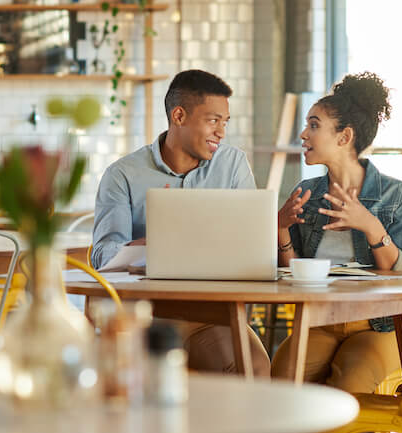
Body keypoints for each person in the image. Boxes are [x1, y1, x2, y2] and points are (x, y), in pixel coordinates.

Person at [92, 69, 270, 376]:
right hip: (149, 313)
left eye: (224, 122)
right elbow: (102, 255)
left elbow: (250, 242)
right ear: (179, 115)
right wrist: (153, 245)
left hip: (215, 312)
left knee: (254, 367)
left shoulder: (233, 164)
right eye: (213, 120)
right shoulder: (122, 175)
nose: (221, 132)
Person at [270, 72, 402, 392]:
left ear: (344, 136)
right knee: (278, 385)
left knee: (349, 388)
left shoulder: (395, 195)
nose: (303, 134)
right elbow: (290, 273)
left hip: (379, 328)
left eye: (313, 125)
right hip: (320, 323)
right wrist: (280, 228)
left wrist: (370, 225)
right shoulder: (306, 193)